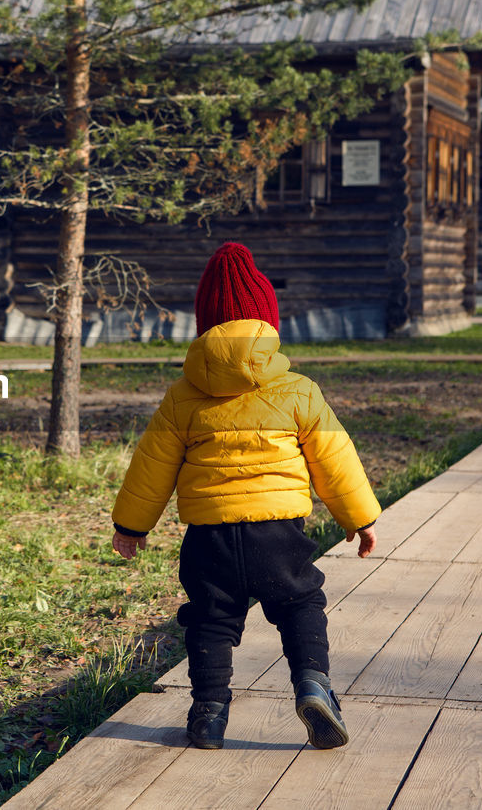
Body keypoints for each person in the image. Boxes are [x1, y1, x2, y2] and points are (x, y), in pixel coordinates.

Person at [110, 242, 379, 751]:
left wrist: (132, 526)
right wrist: (359, 517)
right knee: (300, 603)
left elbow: (152, 466)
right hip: (277, 533)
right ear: (269, 324)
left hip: (209, 536)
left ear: (204, 325)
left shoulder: (183, 395)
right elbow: (334, 458)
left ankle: (208, 713)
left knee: (211, 618)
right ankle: (313, 685)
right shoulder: (298, 389)